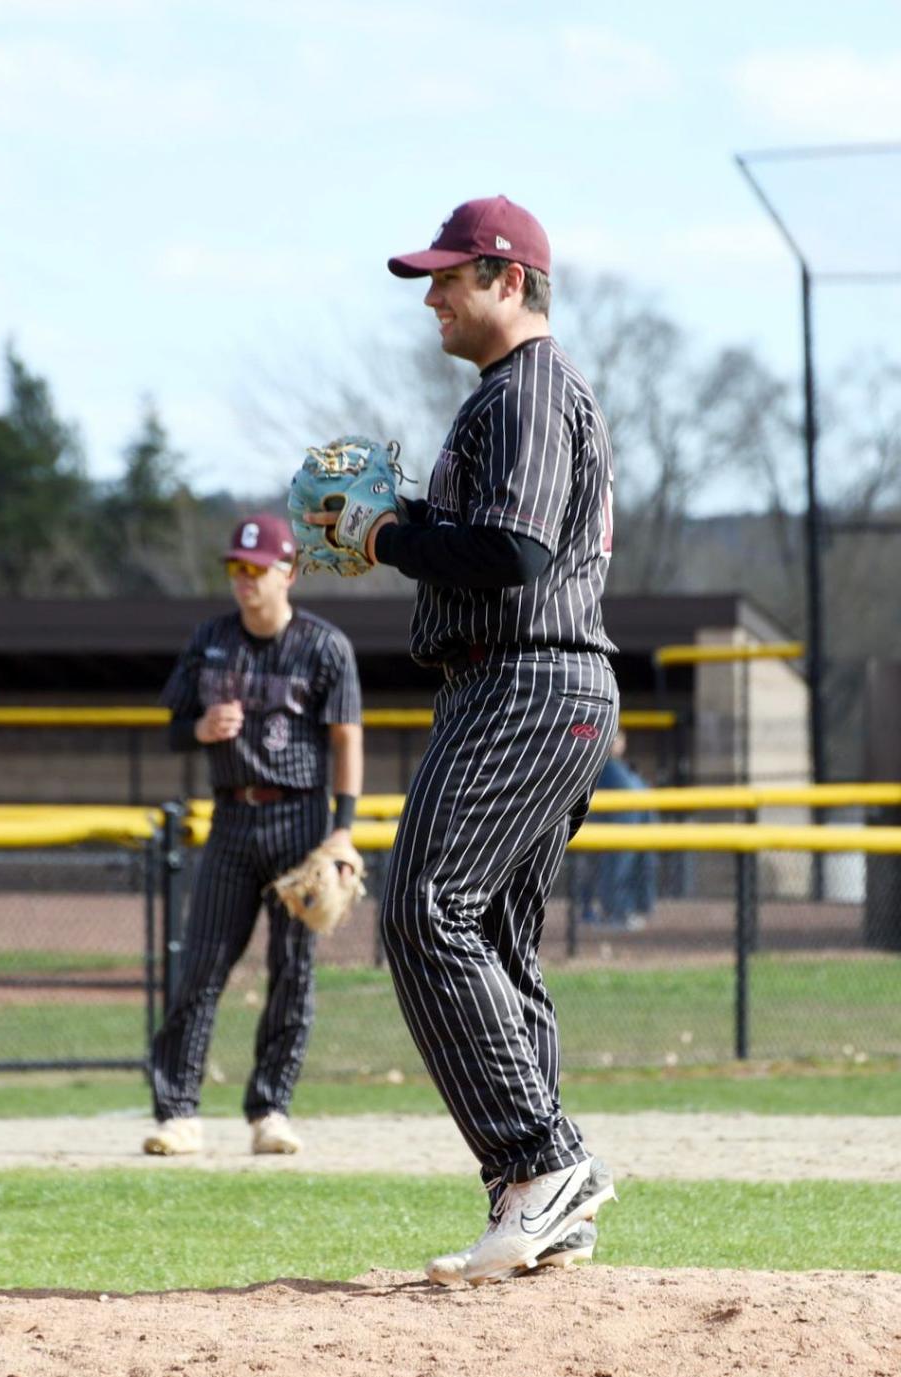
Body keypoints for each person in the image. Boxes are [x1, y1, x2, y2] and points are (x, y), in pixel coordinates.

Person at [307, 195, 620, 1284]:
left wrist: (390, 531)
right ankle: (542, 1204)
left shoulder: (524, 390)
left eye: (449, 277)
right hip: (552, 682)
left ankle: (543, 1164)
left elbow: (518, 551)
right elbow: (496, 536)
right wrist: (408, 510)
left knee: (427, 909)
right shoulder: (518, 396)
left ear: (509, 280)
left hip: (523, 679)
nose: (432, 297)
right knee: (491, 937)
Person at [143, 513, 363, 1158]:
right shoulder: (210, 640)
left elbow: (347, 738)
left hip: (300, 820)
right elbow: (173, 725)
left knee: (292, 971)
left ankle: (271, 1109)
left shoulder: (325, 647)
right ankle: (178, 1111)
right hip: (232, 817)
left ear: (287, 572)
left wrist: (343, 833)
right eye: (236, 569)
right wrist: (201, 728)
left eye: (256, 569)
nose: (244, 581)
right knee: (202, 966)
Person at [593, 729, 658, 930]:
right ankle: (614, 914)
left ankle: (624, 911)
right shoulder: (603, 768)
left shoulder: (625, 768)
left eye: (619, 741)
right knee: (615, 872)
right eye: (613, 741)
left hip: (635, 831)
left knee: (635, 870)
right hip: (613, 832)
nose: (617, 745)